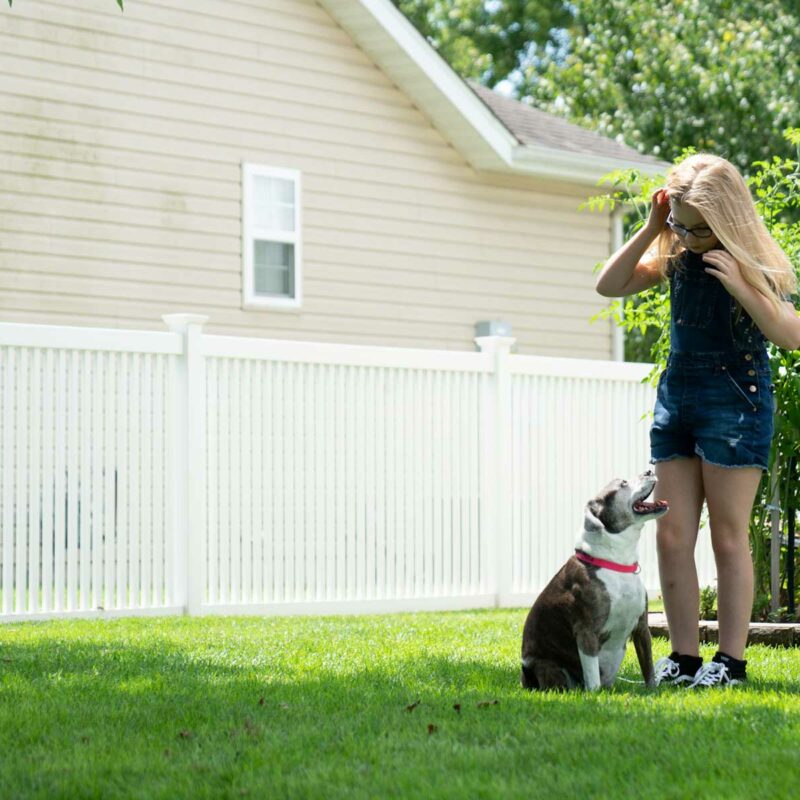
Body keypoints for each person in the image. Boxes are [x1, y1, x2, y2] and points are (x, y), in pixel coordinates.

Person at [595, 154, 800, 687]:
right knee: (671, 534)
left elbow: (790, 333)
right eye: (679, 226)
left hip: (735, 402)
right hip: (678, 400)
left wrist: (740, 284)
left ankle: (729, 663)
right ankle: (684, 657)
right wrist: (649, 230)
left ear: (726, 219)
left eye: (697, 229)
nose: (686, 238)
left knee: (729, 538)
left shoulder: (749, 263)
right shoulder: (679, 256)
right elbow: (609, 285)